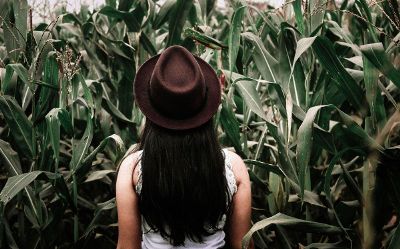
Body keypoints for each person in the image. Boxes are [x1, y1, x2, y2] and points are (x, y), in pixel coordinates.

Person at [116, 45, 252, 249]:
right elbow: (242, 246)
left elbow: (127, 247)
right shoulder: (234, 168)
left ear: (152, 112)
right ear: (205, 110)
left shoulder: (132, 169)